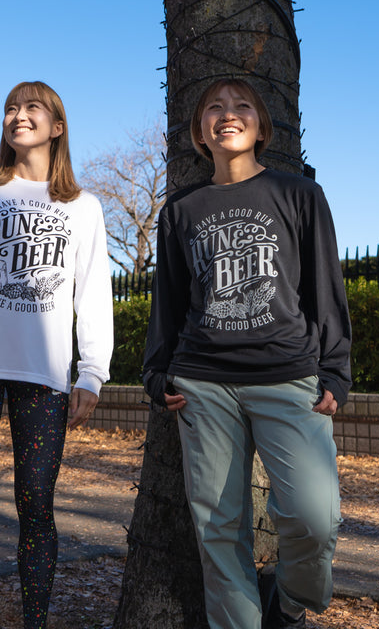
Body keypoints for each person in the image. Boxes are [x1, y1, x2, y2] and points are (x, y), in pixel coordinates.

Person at [143, 78, 352, 629]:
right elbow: (168, 300)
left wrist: (336, 368)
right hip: (202, 383)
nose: (227, 114)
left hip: (289, 377)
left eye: (241, 107)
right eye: (214, 108)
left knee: (314, 517)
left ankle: (288, 603)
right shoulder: (181, 210)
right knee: (219, 528)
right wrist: (156, 371)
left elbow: (326, 288)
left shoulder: (297, 194)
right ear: (199, 133)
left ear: (261, 127)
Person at [0, 81, 114, 629]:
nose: (17, 115)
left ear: (57, 126)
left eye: (32, 107)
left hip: (45, 374)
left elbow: (92, 295)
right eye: (10, 108)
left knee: (37, 507)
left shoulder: (85, 207)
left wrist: (92, 373)